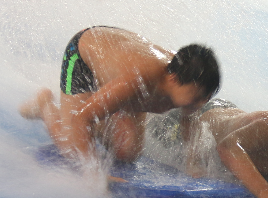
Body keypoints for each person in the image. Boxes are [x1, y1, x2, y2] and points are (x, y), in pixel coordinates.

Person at [19, 26, 220, 165]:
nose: (201, 103)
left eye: (206, 98)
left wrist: (193, 164)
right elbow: (83, 117)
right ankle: (44, 104)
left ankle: (102, 108)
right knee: (73, 149)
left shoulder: (187, 83)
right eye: (198, 97)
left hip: (118, 59)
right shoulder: (139, 81)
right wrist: (94, 173)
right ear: (174, 79)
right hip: (83, 56)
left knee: (128, 152)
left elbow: (189, 121)